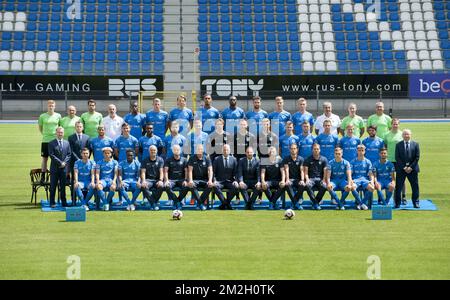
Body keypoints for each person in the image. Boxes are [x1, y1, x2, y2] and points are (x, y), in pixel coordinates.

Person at [394, 129, 420, 209]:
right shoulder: (398, 145)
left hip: (412, 170)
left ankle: (415, 202)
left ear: (410, 135)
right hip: (401, 169)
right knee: (398, 187)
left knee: (415, 186)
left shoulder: (415, 144)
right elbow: (397, 157)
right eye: (405, 134)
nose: (406, 136)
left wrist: (410, 167)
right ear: (402, 135)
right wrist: (404, 167)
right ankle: (397, 203)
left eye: (408, 134)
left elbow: (417, 157)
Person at [383, 118, 406, 204]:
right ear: (391, 124)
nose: (395, 125)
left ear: (399, 125)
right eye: (394, 124)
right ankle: (388, 197)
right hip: (389, 160)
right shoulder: (387, 135)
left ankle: (403, 197)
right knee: (388, 179)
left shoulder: (402, 134)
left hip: (400, 160)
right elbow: (385, 146)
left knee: (401, 179)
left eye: (396, 124)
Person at [48, 127, 71, 208]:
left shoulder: (67, 143)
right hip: (54, 169)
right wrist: (60, 162)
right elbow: (51, 155)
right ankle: (52, 202)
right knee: (53, 186)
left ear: (63, 133)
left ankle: (64, 202)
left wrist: (64, 162)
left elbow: (69, 154)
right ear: (56, 133)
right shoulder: (51, 143)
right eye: (58, 132)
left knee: (63, 186)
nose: (60, 134)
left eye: (61, 132)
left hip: (64, 169)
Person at [68, 121, 91, 204]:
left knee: (85, 179)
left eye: (80, 126)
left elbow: (89, 149)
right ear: (75, 127)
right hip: (74, 162)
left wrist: (85, 158)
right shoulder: (71, 138)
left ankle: (85, 200)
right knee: (74, 181)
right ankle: (73, 200)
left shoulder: (87, 137)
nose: (79, 128)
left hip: (85, 163)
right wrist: (79, 159)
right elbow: (71, 150)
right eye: (77, 126)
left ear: (83, 128)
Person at [187, 144, 214, 210]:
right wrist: (190, 180)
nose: (199, 151)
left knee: (211, 186)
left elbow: (210, 170)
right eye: (198, 149)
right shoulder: (192, 158)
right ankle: (201, 204)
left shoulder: (207, 158)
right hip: (195, 180)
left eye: (200, 149)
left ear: (203, 150)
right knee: (191, 185)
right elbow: (190, 170)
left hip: (205, 180)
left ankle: (199, 203)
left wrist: (210, 180)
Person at [212, 144, 239, 210]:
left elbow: (236, 172)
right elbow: (213, 172)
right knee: (215, 186)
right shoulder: (217, 159)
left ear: (230, 151)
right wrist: (214, 180)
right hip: (219, 181)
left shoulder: (234, 159)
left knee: (236, 187)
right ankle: (227, 204)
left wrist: (236, 181)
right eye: (224, 150)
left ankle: (224, 204)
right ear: (222, 151)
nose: (225, 151)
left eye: (227, 150)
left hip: (230, 181)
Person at [38, 99, 61, 172]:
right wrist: (45, 134)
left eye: (52, 106)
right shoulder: (42, 116)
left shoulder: (58, 116)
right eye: (49, 106)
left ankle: (55, 175)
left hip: (55, 141)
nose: (51, 107)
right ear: (47, 107)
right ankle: (43, 176)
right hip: (45, 140)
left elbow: (60, 127)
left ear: (55, 107)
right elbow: (40, 128)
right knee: (45, 159)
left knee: (56, 159)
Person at [164, 145, 189, 210]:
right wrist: (166, 180)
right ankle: (177, 202)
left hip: (182, 180)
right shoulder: (168, 160)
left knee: (186, 186)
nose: (176, 151)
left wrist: (186, 180)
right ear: (172, 151)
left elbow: (186, 171)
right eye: (175, 150)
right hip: (171, 180)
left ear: (180, 151)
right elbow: (166, 171)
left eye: (178, 150)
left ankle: (176, 201)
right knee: (167, 186)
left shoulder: (184, 160)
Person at [303, 143, 328, 210]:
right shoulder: (308, 159)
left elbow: (325, 171)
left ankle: (315, 202)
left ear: (320, 150)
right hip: (311, 179)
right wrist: (307, 179)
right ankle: (316, 203)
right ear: (312, 150)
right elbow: (305, 172)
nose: (316, 150)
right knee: (307, 185)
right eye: (314, 149)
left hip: (320, 179)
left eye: (317, 149)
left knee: (324, 186)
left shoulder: (324, 159)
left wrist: (324, 180)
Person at [140, 145, 165, 210]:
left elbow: (161, 171)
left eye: (154, 150)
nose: (153, 151)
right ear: (149, 151)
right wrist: (143, 181)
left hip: (157, 180)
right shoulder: (145, 160)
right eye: (151, 150)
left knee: (161, 186)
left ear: (156, 151)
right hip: (148, 180)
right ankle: (154, 203)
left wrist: (160, 180)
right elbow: (143, 172)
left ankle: (152, 202)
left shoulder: (160, 160)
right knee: (143, 186)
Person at [350, 145, 375, 210]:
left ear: (364, 151)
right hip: (356, 179)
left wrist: (372, 181)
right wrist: (351, 180)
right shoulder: (352, 161)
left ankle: (361, 203)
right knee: (352, 187)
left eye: (362, 150)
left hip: (365, 180)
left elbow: (370, 173)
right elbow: (350, 173)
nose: (360, 152)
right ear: (356, 151)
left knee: (372, 188)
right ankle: (362, 204)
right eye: (359, 150)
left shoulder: (368, 161)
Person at [282, 143, 305, 210]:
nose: (293, 150)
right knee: (287, 185)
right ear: (289, 150)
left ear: (297, 149)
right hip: (290, 179)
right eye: (291, 149)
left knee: (303, 185)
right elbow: (286, 169)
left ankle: (293, 204)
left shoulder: (301, 159)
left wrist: (302, 180)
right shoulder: (286, 159)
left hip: (298, 179)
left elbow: (302, 171)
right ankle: (296, 204)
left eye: (294, 148)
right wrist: (287, 180)